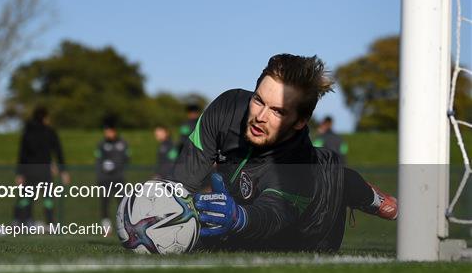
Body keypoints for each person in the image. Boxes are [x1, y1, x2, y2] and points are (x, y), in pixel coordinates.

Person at [172, 54, 397, 252]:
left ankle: (386, 203)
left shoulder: (298, 167)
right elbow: (180, 184)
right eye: (258, 100)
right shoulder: (226, 109)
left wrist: (238, 218)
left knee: (346, 182)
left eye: (277, 111)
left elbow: (270, 216)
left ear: (300, 121)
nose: (260, 116)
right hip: (249, 198)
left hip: (317, 223)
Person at [14, 106, 70, 225]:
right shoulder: (49, 132)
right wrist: (63, 170)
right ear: (44, 118)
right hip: (44, 170)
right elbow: (58, 151)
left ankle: (23, 221)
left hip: (29, 170)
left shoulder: (27, 132)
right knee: (48, 198)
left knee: (27, 197)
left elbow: (22, 154)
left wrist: (20, 173)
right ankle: (50, 223)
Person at [95, 115, 130, 231]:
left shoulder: (123, 143)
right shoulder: (101, 144)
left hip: (118, 178)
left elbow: (127, 158)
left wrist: (116, 164)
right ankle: (106, 226)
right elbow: (98, 160)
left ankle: (123, 226)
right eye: (106, 131)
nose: (107, 134)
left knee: (121, 203)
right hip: (105, 179)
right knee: (104, 202)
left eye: (109, 131)